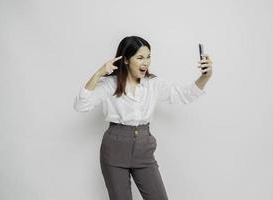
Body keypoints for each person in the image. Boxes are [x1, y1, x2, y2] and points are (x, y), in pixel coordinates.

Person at [73, 36, 212, 200]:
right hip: (115, 147)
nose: (145, 62)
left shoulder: (152, 84)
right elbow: (81, 105)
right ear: (126, 60)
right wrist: (99, 73)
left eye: (148, 57)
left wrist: (205, 77)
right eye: (140, 58)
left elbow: (184, 95)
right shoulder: (110, 83)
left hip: (144, 148)